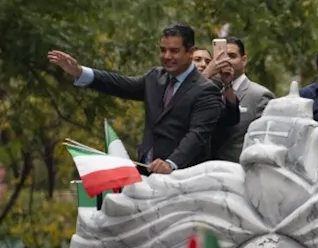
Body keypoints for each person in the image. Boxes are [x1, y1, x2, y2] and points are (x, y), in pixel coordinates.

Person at [48, 24, 224, 173]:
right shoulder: (155, 77)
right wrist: (79, 71)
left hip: (183, 178)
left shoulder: (206, 90)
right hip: (145, 172)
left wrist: (171, 163)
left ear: (190, 52)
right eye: (163, 50)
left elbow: (197, 135)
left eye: (174, 51)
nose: (167, 56)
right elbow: (120, 84)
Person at [215, 36, 277, 162]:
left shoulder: (260, 95)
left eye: (232, 56)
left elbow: (263, 140)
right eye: (222, 57)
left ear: (243, 60)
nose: (226, 61)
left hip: (241, 170)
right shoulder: (210, 90)